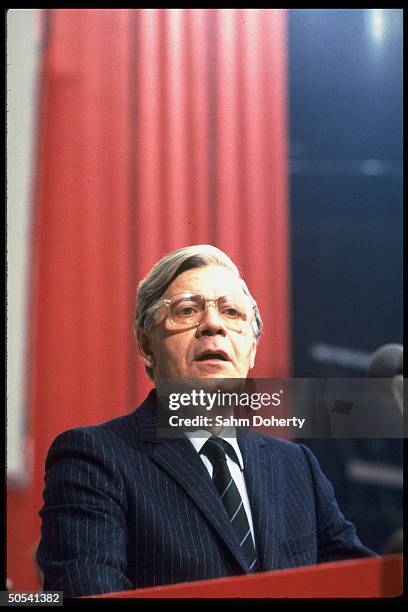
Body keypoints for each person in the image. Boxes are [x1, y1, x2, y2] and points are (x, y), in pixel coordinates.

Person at [37, 245, 375, 596]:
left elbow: (360, 582)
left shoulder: (298, 468)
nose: (213, 324)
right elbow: (89, 590)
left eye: (231, 312)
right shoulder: (93, 458)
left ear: (253, 349)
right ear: (146, 345)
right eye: (186, 310)